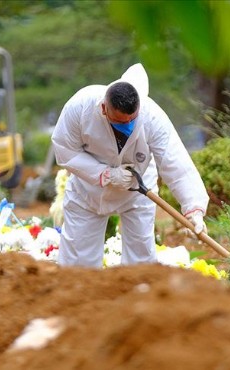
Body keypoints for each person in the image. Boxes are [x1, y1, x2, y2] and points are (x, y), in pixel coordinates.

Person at [51, 64, 209, 267]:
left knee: (140, 261)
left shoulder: (152, 116)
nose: (127, 126)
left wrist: (193, 209)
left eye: (131, 120)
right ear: (103, 109)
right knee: (78, 266)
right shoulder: (80, 106)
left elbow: (175, 161)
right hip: (88, 190)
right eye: (119, 122)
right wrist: (106, 175)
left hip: (138, 189)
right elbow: (65, 150)